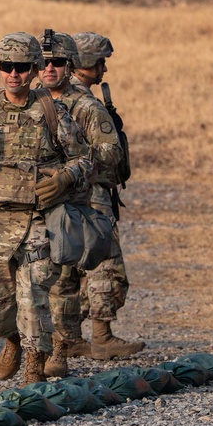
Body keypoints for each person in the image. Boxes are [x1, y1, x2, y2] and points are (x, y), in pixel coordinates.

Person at [0, 32, 92, 384]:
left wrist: (62, 180)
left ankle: (34, 363)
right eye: (7, 67)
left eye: (21, 67)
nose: (13, 74)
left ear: (33, 70)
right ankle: (11, 340)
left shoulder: (51, 112)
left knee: (34, 296)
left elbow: (84, 160)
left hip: (37, 220)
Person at [36, 30, 142, 371]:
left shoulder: (54, 100)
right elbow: (108, 153)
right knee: (103, 265)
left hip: (65, 195)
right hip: (87, 195)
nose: (103, 70)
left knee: (65, 271)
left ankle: (66, 344)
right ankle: (97, 336)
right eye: (99, 63)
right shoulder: (80, 104)